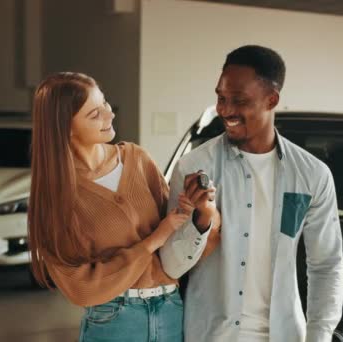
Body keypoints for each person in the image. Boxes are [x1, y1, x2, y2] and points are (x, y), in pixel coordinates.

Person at [160, 45, 343, 342]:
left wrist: (318, 336)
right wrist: (201, 222)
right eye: (221, 98)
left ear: (271, 100)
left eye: (239, 100)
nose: (225, 110)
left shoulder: (312, 175)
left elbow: (326, 265)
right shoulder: (193, 167)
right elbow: (171, 265)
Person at [27, 72, 210, 341]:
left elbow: (176, 238)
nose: (109, 116)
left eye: (106, 105)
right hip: (114, 320)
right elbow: (80, 288)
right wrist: (152, 241)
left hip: (171, 310)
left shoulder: (137, 159)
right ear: (65, 126)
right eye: (94, 114)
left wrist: (195, 210)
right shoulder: (57, 197)